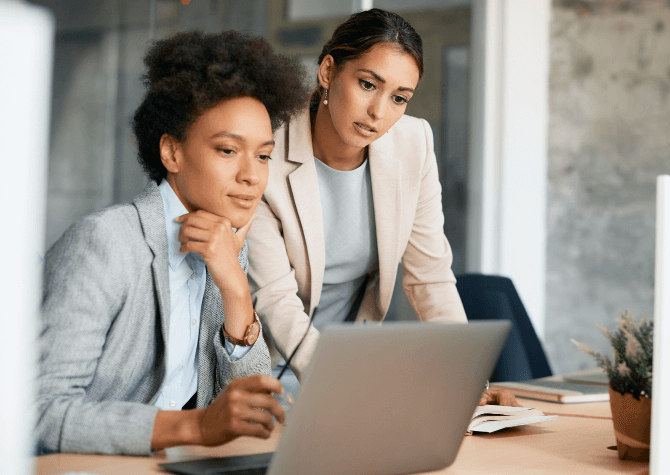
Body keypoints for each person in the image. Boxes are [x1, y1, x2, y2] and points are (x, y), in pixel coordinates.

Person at [36, 30, 309, 455]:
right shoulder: (105, 243)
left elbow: (246, 409)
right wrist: (193, 426)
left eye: (263, 155)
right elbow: (39, 412)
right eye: (227, 150)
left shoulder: (225, 246)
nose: (252, 176)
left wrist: (236, 289)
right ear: (172, 152)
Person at [247, 9, 517, 406]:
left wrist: (466, 382)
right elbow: (275, 300)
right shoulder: (266, 148)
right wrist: (350, 387)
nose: (379, 113)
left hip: (353, 367)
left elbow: (431, 278)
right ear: (327, 71)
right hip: (266, 371)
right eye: (368, 84)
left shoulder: (413, 143)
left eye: (399, 98)